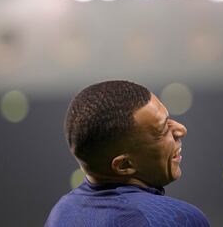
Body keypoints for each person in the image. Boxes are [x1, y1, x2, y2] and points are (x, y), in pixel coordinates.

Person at [45, 80, 210, 227]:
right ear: (124, 165)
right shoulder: (177, 219)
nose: (181, 130)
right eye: (163, 129)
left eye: (169, 119)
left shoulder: (60, 213)